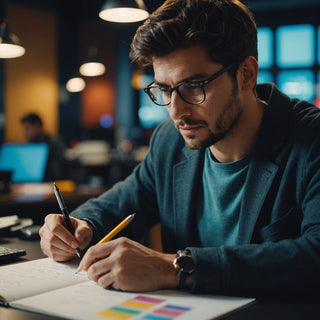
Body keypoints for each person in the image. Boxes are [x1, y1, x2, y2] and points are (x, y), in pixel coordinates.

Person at [39, 0, 320, 298]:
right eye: (164, 89)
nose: (175, 111)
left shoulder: (310, 140)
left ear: (246, 74)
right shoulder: (170, 142)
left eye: (194, 87)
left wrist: (174, 267)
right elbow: (120, 202)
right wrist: (79, 226)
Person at [21, 113, 67, 181]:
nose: (25, 133)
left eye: (27, 129)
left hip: (51, 184)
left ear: (37, 126)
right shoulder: (31, 146)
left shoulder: (53, 144)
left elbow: (57, 173)